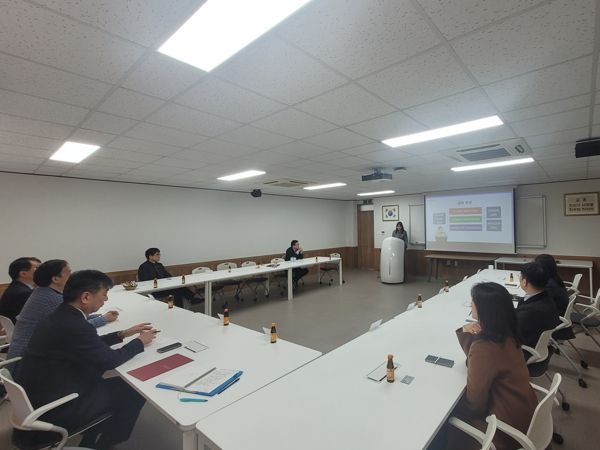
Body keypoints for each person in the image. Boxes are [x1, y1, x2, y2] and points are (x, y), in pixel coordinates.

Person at [14, 270, 156, 450]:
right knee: (132, 391)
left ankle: (94, 435)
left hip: (41, 394)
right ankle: (104, 443)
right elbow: (109, 360)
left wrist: (122, 334)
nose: (105, 299)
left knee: (113, 383)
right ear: (86, 297)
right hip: (59, 405)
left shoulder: (61, 315)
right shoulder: (74, 324)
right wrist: (140, 342)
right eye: (104, 294)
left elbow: (85, 343)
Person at [446, 282, 537, 450]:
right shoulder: (507, 333)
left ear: (483, 310)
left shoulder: (485, 347)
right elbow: (480, 362)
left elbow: (475, 403)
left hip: (503, 428)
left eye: (473, 301)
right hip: (524, 413)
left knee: (446, 418)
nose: (470, 304)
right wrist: (469, 335)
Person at [7, 260, 119, 368]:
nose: (72, 276)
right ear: (55, 279)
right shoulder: (53, 298)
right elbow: (76, 327)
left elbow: (76, 318)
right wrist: (103, 319)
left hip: (26, 354)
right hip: (26, 361)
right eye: (69, 273)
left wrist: (97, 316)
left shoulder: (41, 291)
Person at [515, 262, 561, 350]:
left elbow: (509, 333)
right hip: (539, 342)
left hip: (525, 349)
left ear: (524, 282)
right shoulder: (546, 296)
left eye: (520, 276)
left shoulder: (529, 312)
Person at [535, 254, 574, 341]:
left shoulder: (549, 285)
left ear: (542, 269)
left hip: (554, 320)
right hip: (559, 315)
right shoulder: (554, 278)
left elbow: (538, 304)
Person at [0, 257, 41, 323]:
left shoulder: (15, 287)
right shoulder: (24, 293)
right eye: (37, 268)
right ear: (23, 274)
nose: (42, 271)